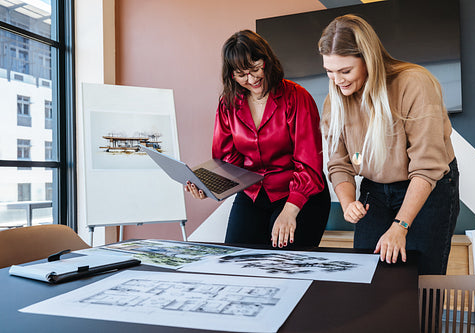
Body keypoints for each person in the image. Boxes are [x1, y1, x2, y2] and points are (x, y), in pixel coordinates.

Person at [318, 14, 459, 275]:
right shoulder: (334, 100)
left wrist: (400, 226)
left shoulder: (414, 83)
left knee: (419, 279)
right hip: (376, 189)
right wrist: (348, 202)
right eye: (330, 72)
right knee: (367, 274)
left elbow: (427, 167)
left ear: (368, 59)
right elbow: (338, 164)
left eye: (345, 71)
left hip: (427, 184)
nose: (338, 81)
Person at [186, 30, 331, 249]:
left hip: (299, 193)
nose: (252, 79)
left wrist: (290, 211)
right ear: (231, 75)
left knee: (282, 263)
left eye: (255, 69)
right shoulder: (228, 104)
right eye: (242, 74)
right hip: (253, 193)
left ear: (267, 61)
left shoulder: (297, 97)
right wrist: (208, 187)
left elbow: (309, 163)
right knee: (234, 258)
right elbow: (227, 160)